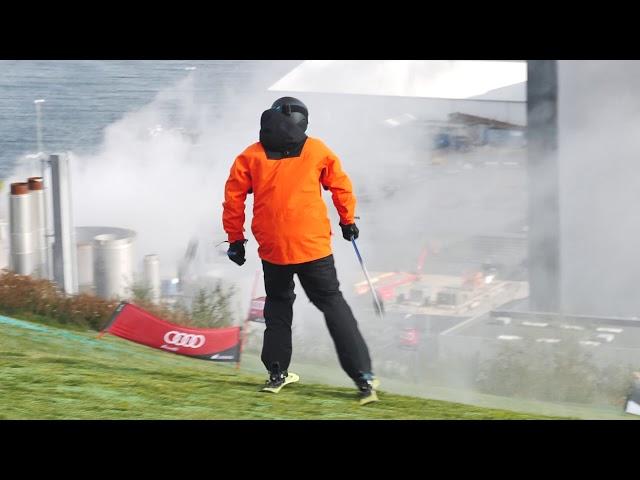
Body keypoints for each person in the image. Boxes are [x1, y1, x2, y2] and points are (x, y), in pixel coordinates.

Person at [222, 96, 379, 404]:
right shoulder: (317, 149)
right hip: (313, 247)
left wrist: (236, 241)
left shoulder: (250, 156)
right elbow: (341, 187)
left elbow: (233, 200)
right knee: (332, 304)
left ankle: (277, 374)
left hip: (273, 249)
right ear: (303, 123)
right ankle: (363, 378)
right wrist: (348, 222)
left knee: (278, 306)